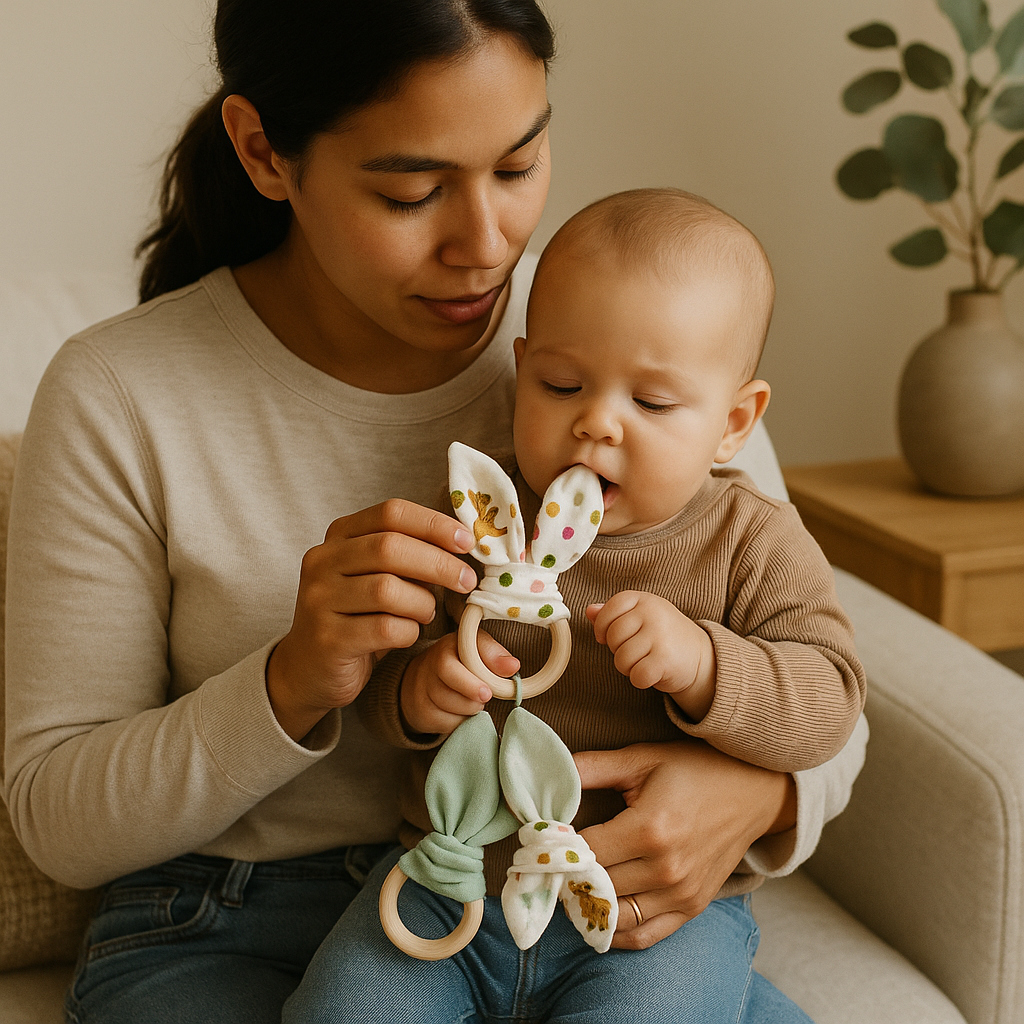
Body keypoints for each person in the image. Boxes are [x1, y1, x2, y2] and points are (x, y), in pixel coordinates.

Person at [2, 3, 866, 1022]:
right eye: (411, 191)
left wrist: (762, 799)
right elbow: (58, 818)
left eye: (517, 167)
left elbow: (815, 667)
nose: (488, 244)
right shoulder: (120, 392)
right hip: (232, 914)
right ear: (263, 151)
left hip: (570, 899)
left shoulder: (622, 329)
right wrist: (289, 682)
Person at [284, 188, 866, 1023]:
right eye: (562, 385)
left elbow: (830, 704)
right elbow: (376, 691)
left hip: (648, 917)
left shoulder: (753, 541)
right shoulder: (479, 518)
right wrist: (420, 691)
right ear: (523, 371)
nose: (596, 424)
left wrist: (706, 666)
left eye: (653, 403)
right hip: (456, 883)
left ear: (734, 422)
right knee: (344, 1009)